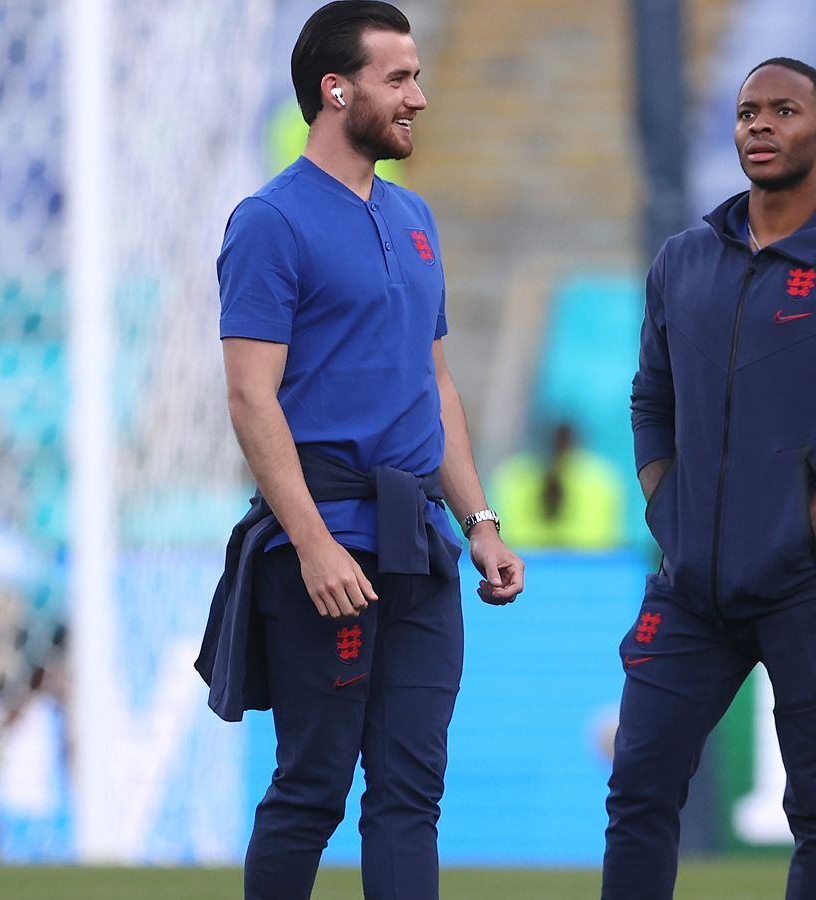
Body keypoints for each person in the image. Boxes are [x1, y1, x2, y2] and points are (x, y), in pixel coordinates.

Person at [193, 4, 525, 898]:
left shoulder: (415, 216)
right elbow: (248, 396)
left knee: (412, 795)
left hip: (420, 545)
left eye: (417, 75)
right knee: (312, 788)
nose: (420, 96)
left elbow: (437, 386)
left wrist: (481, 522)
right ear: (336, 91)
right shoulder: (268, 221)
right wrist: (311, 544)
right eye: (399, 78)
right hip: (327, 544)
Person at [603, 57, 816, 900]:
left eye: (784, 111)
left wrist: (795, 528)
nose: (761, 126)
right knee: (638, 787)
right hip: (692, 583)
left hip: (812, 583)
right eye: (748, 113)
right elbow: (651, 399)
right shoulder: (682, 259)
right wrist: (669, 510)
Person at [489, 420, 626, 550]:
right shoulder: (601, 479)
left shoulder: (512, 477)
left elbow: (506, 540)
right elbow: (605, 544)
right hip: (586, 567)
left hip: (526, 565)